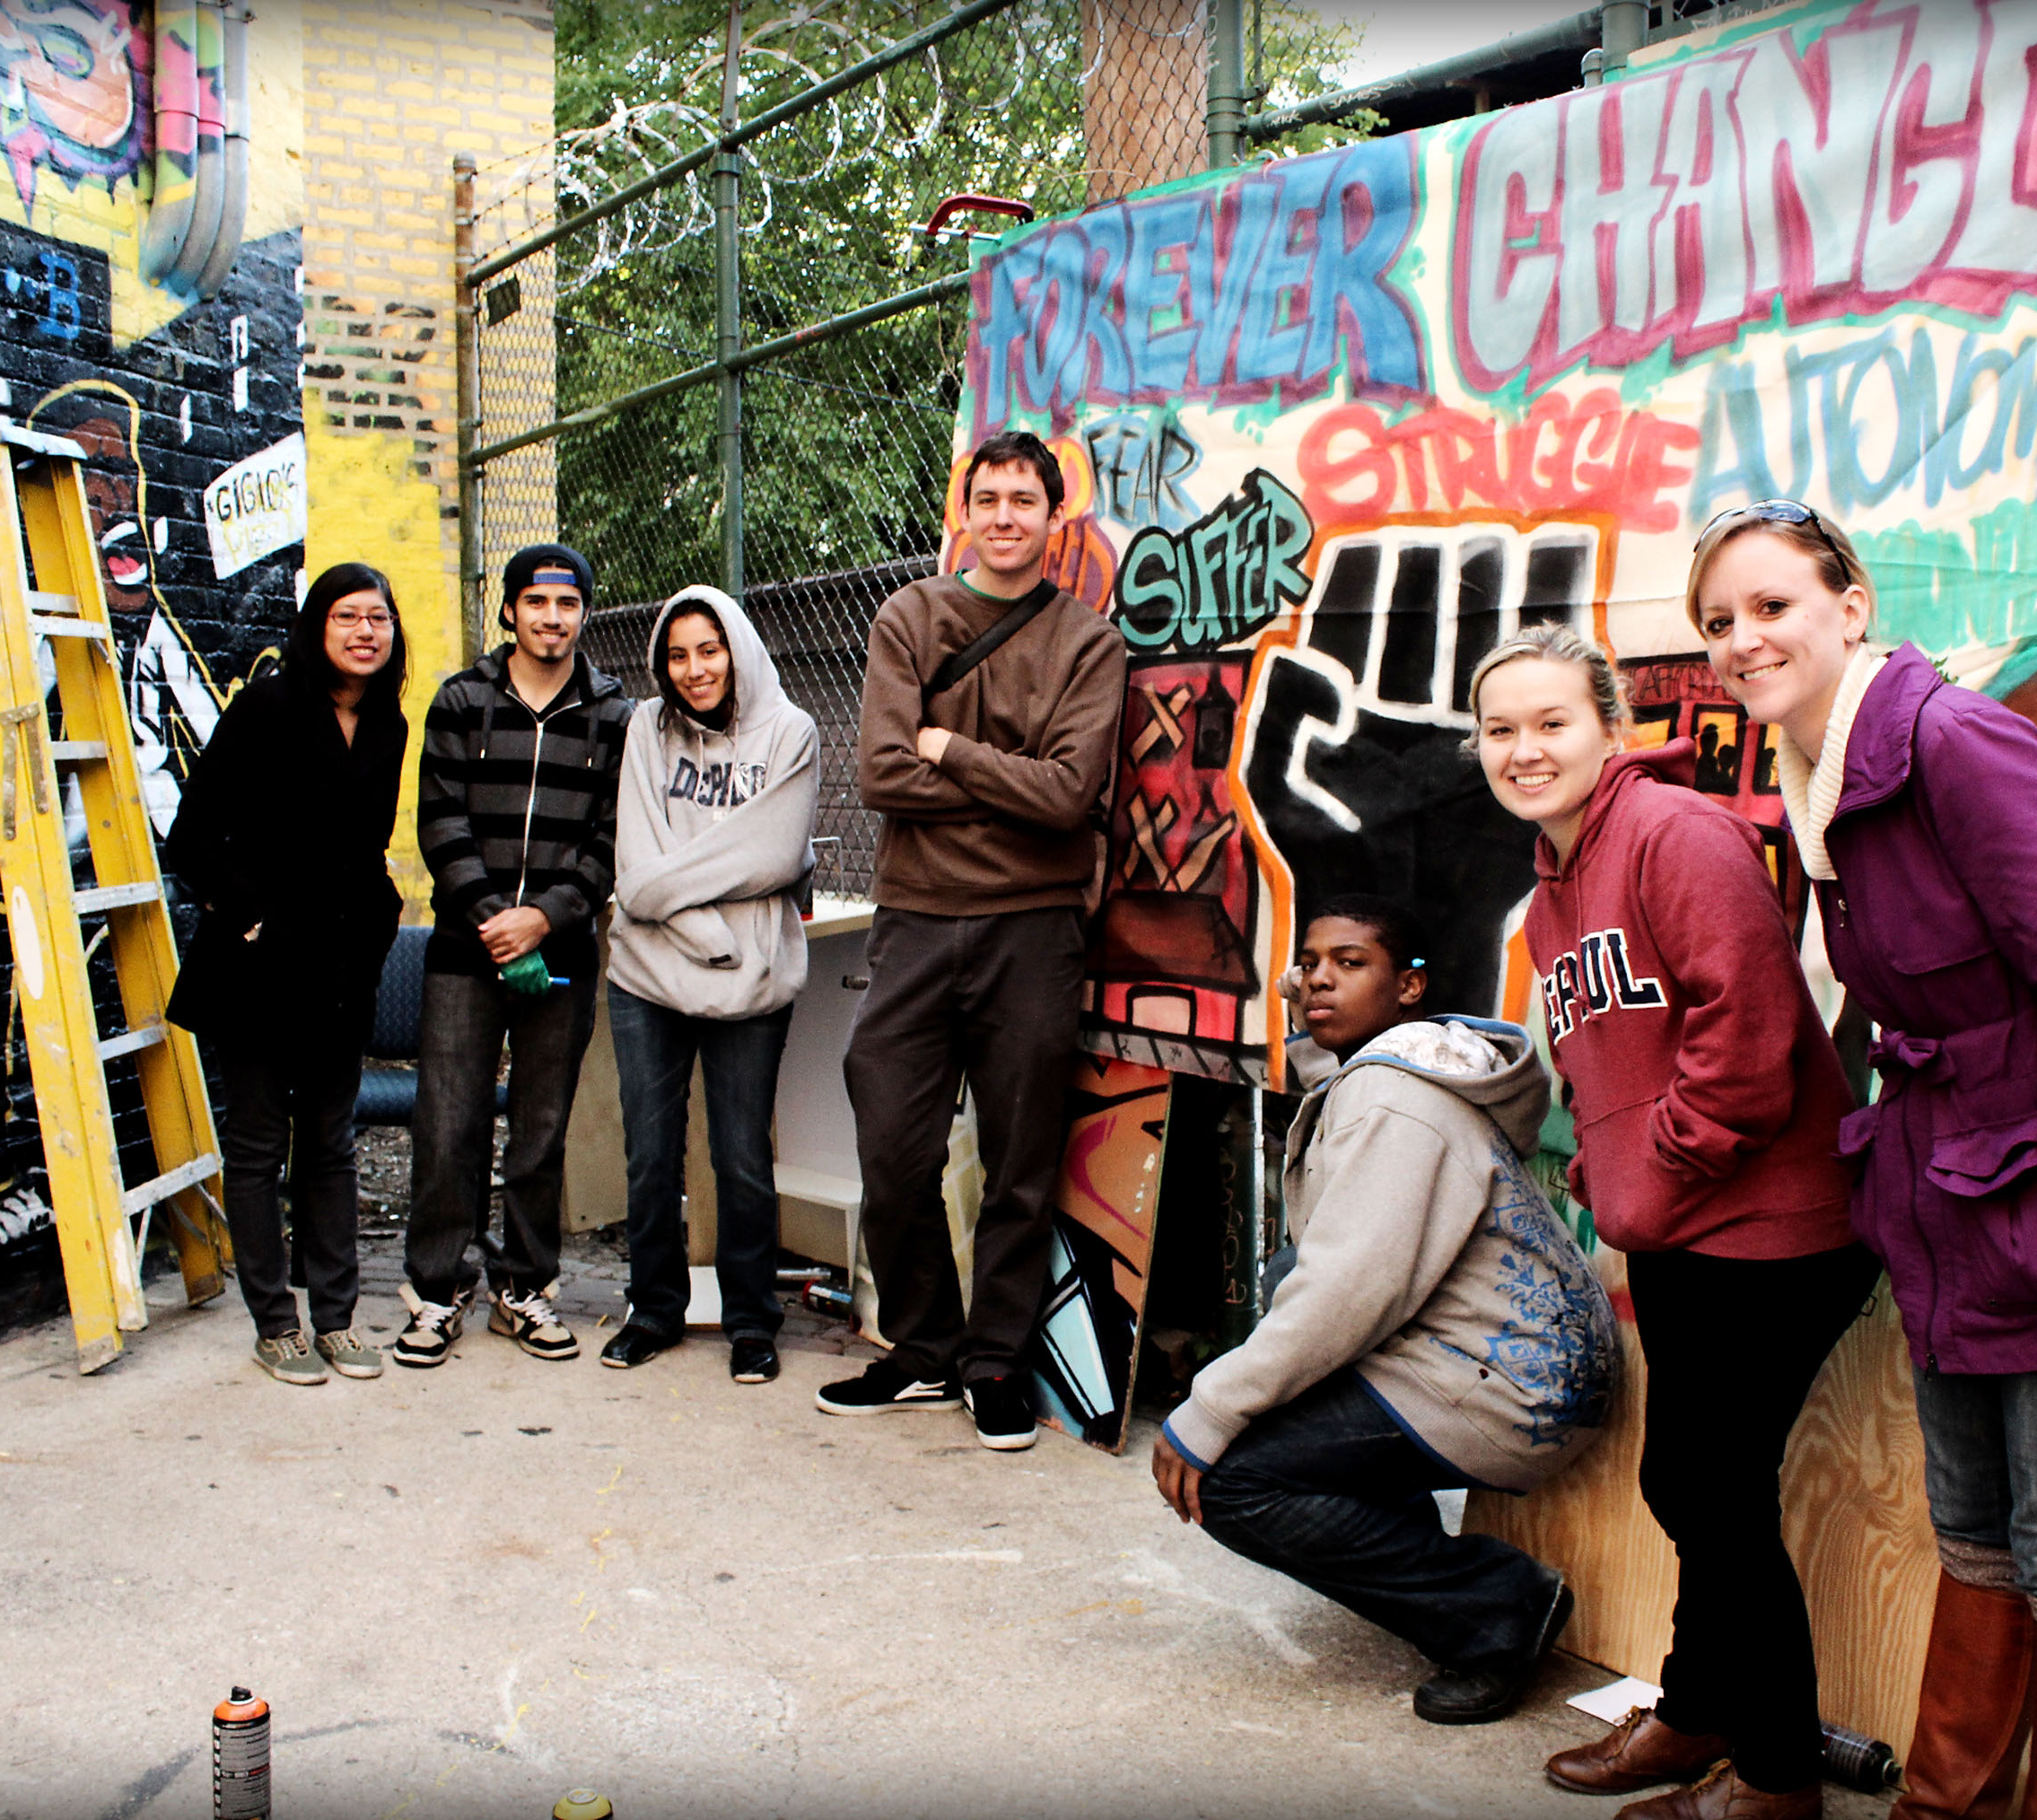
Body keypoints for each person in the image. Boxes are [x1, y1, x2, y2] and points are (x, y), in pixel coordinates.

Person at [1688, 500, 2037, 1820]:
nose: (1742, 640)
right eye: (1719, 621)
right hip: (1956, 1215)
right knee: (1980, 1541)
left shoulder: (1954, 744)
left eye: (1772, 606)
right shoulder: (1821, 775)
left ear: (1852, 604)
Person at [1467, 626, 1870, 1820]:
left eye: (1552, 723)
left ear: (1608, 728)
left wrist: (1655, 1171)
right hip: (1686, 1233)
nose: (1525, 749)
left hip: (1779, 1227)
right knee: (1699, 1483)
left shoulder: (1673, 834)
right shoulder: (1552, 891)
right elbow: (1608, 1065)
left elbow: (1747, 1043)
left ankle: (1778, 1779)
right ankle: (1697, 1715)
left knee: (1713, 1494)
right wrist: (1608, 1167)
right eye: (1501, 729)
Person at [1152, 896, 1614, 1725]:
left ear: (1411, 987)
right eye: (1311, 965)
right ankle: (1406, 1542)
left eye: (1351, 964)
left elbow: (1350, 1291)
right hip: (1513, 1360)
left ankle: (1496, 1610)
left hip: (1514, 1391)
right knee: (1290, 1270)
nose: (1319, 980)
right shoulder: (1397, 1073)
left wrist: (1209, 1407)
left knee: (1228, 1478)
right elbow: (1335, 1266)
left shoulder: (1395, 1100)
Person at [817, 430, 1127, 1450]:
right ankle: (920, 1348)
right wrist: (1007, 778)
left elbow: (1072, 794)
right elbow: (879, 775)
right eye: (986, 498)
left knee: (1020, 1162)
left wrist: (947, 746)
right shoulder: (912, 616)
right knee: (893, 1146)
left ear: (1052, 517)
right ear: (965, 512)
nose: (1003, 517)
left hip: (1033, 934)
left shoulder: (1087, 642)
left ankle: (993, 1362)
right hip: (915, 920)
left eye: (1023, 501)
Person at [164, 563, 409, 1387]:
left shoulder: (388, 724)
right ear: (316, 626)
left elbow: (364, 848)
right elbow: (192, 838)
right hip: (260, 967)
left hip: (342, 966)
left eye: (378, 618)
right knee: (261, 1143)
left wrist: (378, 919)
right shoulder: (268, 705)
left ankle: (336, 1319)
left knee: (333, 1145)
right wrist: (253, 915)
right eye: (348, 617)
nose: (365, 632)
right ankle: (275, 1322)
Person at [394, 542, 634, 1369]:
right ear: (510, 611)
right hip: (467, 948)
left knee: (540, 1129)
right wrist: (497, 919)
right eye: (537, 602)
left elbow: (610, 841)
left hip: (561, 953)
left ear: (585, 614)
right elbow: (440, 821)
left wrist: (545, 919)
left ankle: (525, 1289)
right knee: (448, 1123)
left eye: (568, 605)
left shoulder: (615, 714)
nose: (552, 618)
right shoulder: (461, 700)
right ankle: (436, 1290)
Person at [600, 585, 819, 1384]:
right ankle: (652, 1310)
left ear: (738, 648)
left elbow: (771, 852)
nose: (695, 670)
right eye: (678, 654)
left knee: (741, 1159)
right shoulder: (643, 732)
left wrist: (672, 898)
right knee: (649, 1156)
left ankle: (752, 1323)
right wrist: (710, 929)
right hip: (649, 975)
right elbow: (635, 870)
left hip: (751, 982)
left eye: (709, 649)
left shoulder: (791, 733)